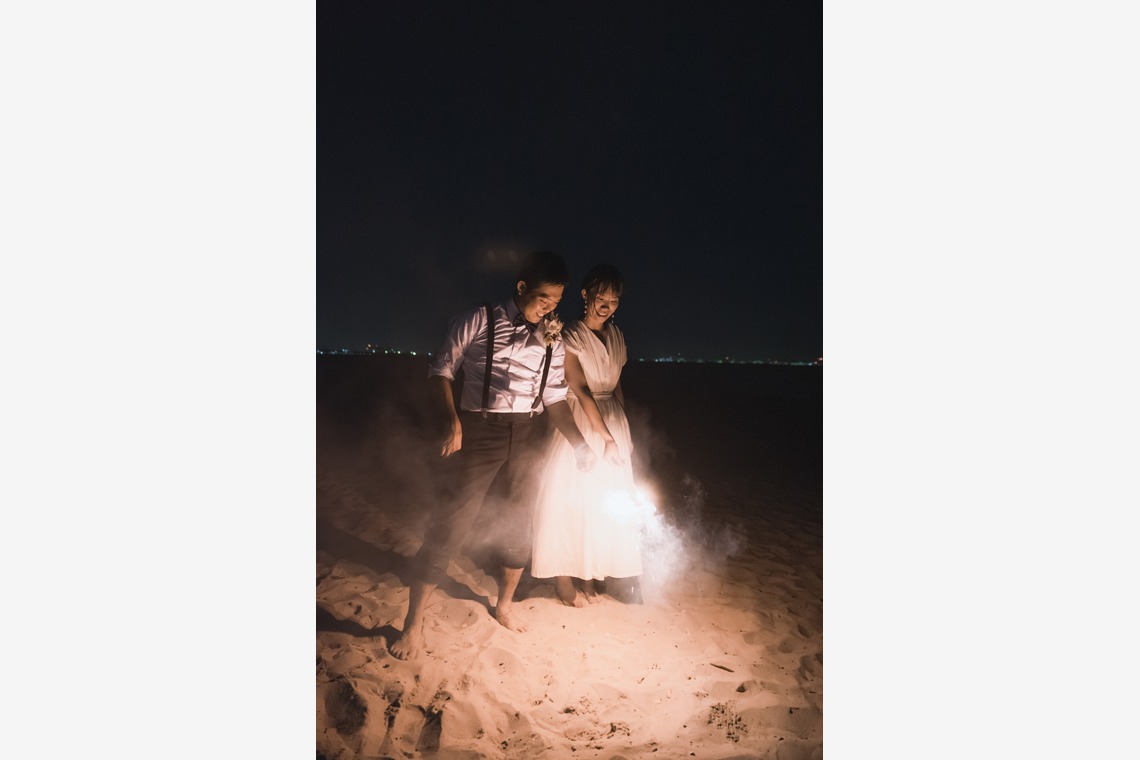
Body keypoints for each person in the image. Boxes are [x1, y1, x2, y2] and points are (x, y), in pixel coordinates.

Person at [389, 251, 603, 660]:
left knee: (519, 524)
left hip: (526, 432)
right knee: (450, 525)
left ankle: (503, 606)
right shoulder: (478, 319)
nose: (550, 309)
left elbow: (555, 397)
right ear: (521, 288)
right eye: (543, 299)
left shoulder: (553, 337)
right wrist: (453, 423)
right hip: (479, 430)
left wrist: (578, 442)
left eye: (557, 302)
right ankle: (413, 624)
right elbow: (441, 371)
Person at [530, 264, 642, 606]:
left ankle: (592, 573)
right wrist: (604, 437)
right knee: (569, 498)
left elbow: (616, 386)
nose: (607, 305)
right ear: (585, 296)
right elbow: (580, 389)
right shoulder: (570, 335)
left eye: (614, 299)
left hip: (612, 420)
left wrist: (623, 433)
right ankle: (563, 578)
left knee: (603, 502)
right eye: (601, 297)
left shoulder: (617, 335)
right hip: (581, 419)